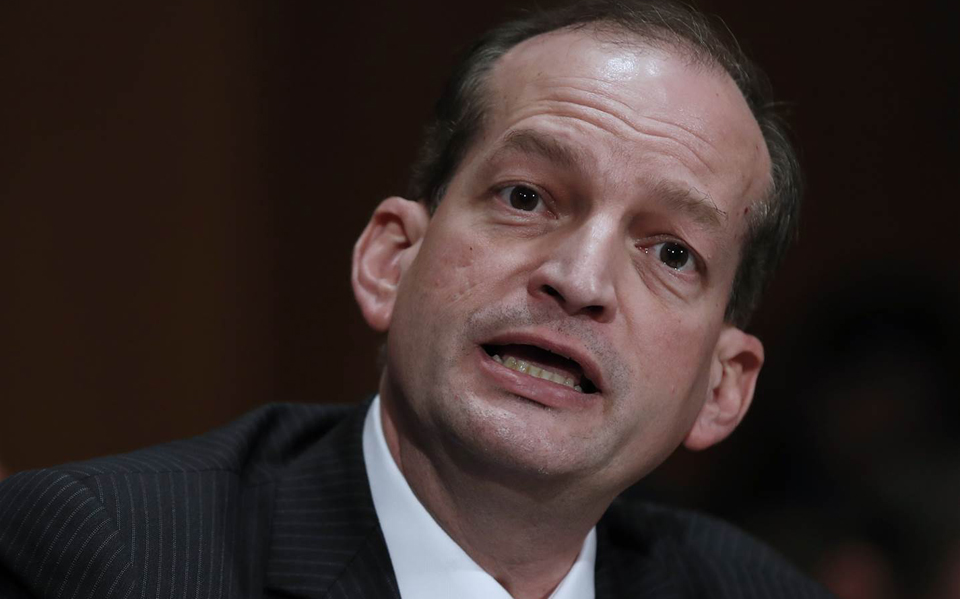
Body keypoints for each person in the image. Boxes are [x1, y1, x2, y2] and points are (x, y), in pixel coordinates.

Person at [0, 1, 834, 597]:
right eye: (525, 197)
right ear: (389, 262)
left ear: (722, 386)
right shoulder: (107, 557)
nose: (579, 280)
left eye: (672, 253)